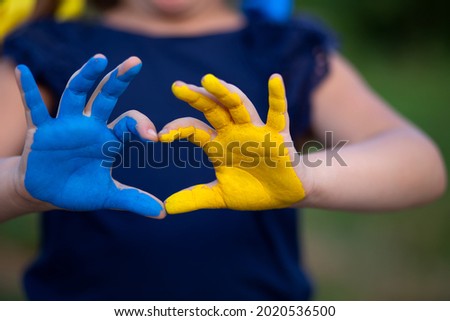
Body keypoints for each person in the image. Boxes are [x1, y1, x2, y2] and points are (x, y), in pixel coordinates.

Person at [0, 0, 446, 300]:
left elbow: (420, 164)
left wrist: (306, 178)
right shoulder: (46, 49)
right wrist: (21, 186)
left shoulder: (282, 48)